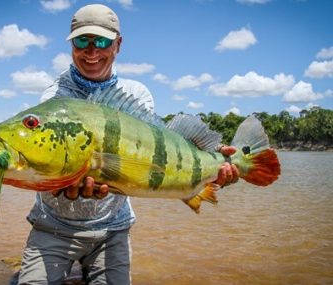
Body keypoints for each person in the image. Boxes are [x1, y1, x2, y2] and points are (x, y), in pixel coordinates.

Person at [18, 4, 239, 285]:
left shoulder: (137, 94)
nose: (91, 51)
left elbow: (160, 158)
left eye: (101, 41)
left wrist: (212, 166)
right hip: (52, 227)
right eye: (82, 41)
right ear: (71, 45)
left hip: (113, 231)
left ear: (118, 44)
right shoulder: (55, 98)